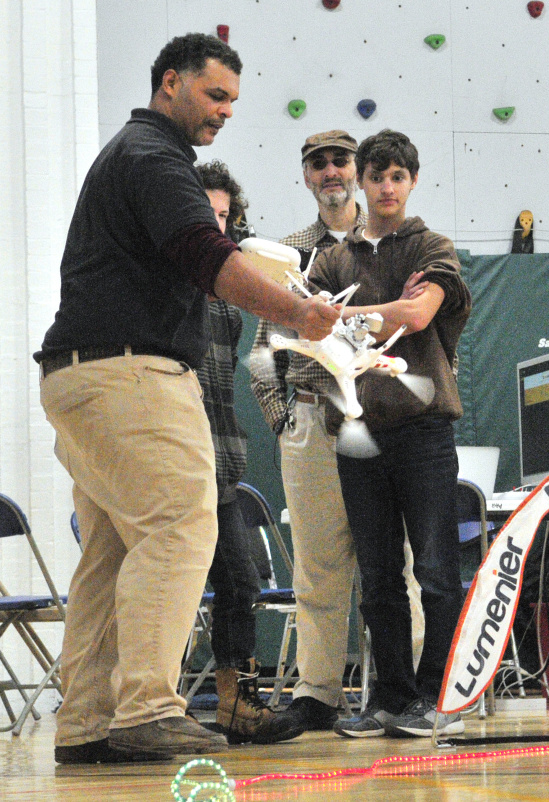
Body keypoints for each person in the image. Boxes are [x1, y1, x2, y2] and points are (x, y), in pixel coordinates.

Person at [38, 33, 340, 765]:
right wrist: (300, 315)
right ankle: (147, 708)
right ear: (169, 82)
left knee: (112, 551)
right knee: (179, 524)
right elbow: (209, 258)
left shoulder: (128, 157)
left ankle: (87, 721)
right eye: (215, 95)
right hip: (130, 373)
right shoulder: (155, 157)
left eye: (234, 100)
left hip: (78, 377)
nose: (226, 112)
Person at [308, 129, 471, 738]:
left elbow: (420, 314)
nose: (386, 187)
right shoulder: (332, 258)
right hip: (357, 430)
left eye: (397, 176)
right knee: (376, 575)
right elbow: (312, 330)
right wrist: (378, 315)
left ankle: (437, 694)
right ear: (361, 182)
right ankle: (390, 698)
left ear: (412, 181)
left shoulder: (432, 245)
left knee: (434, 569)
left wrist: (344, 316)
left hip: (424, 427)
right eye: (376, 176)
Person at [248, 130, 366, 732]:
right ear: (306, 176)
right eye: (317, 164)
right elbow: (263, 349)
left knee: (396, 564)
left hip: (378, 426)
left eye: (339, 161)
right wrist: (284, 419)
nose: (329, 172)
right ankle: (317, 691)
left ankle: (413, 690)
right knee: (316, 566)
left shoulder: (392, 243)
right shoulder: (286, 252)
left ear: (359, 169)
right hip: (309, 420)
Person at [195, 160, 304, 745]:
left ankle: (236, 703)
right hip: (183, 453)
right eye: (205, 214)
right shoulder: (171, 276)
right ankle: (154, 702)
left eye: (224, 216)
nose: (216, 225)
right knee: (196, 583)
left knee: (242, 582)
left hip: (223, 457)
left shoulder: (227, 284)